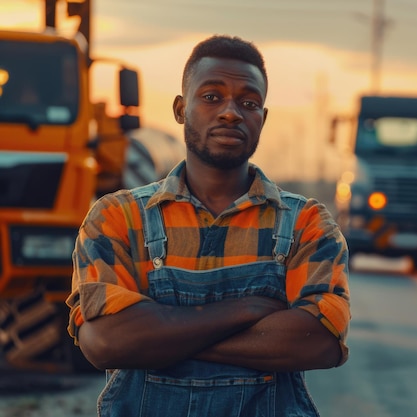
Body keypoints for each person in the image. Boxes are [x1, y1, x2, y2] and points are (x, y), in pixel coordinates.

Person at [67, 35, 351, 417]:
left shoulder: (307, 224)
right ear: (181, 109)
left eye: (248, 102)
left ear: (262, 119)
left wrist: (160, 339)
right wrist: (246, 310)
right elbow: (104, 343)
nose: (231, 112)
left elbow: (319, 342)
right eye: (212, 96)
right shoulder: (118, 219)